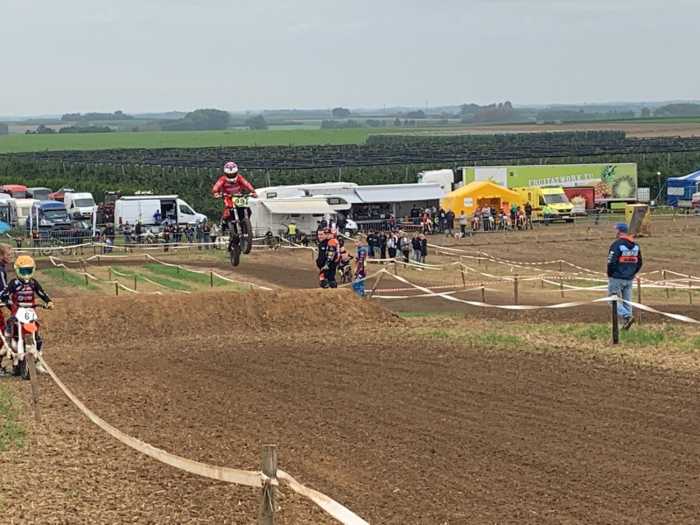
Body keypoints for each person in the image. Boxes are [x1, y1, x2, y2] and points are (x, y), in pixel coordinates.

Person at [0, 255, 54, 374]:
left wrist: (48, 301)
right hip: (17, 311)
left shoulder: (33, 283)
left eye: (28, 270)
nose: (26, 273)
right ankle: (7, 345)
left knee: (37, 336)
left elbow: (41, 292)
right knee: (10, 325)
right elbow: (4, 293)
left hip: (30, 311)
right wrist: (2, 300)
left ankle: (38, 362)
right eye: (23, 271)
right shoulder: (14, 283)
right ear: (17, 270)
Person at [607, 223, 643, 330]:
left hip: (616, 277)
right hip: (629, 278)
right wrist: (633, 273)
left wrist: (610, 273)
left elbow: (611, 261)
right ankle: (627, 325)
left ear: (620, 232)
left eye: (617, 230)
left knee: (611, 300)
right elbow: (640, 262)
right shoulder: (636, 246)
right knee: (627, 302)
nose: (616, 232)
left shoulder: (617, 244)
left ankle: (627, 316)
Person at [211, 161, 258, 231]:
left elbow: (246, 184)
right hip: (228, 196)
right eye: (229, 175)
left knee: (248, 210)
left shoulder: (239, 177)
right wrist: (216, 193)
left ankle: (245, 223)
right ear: (225, 173)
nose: (231, 176)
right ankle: (223, 223)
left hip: (239, 196)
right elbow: (216, 186)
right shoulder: (222, 179)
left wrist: (253, 191)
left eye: (233, 174)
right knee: (228, 210)